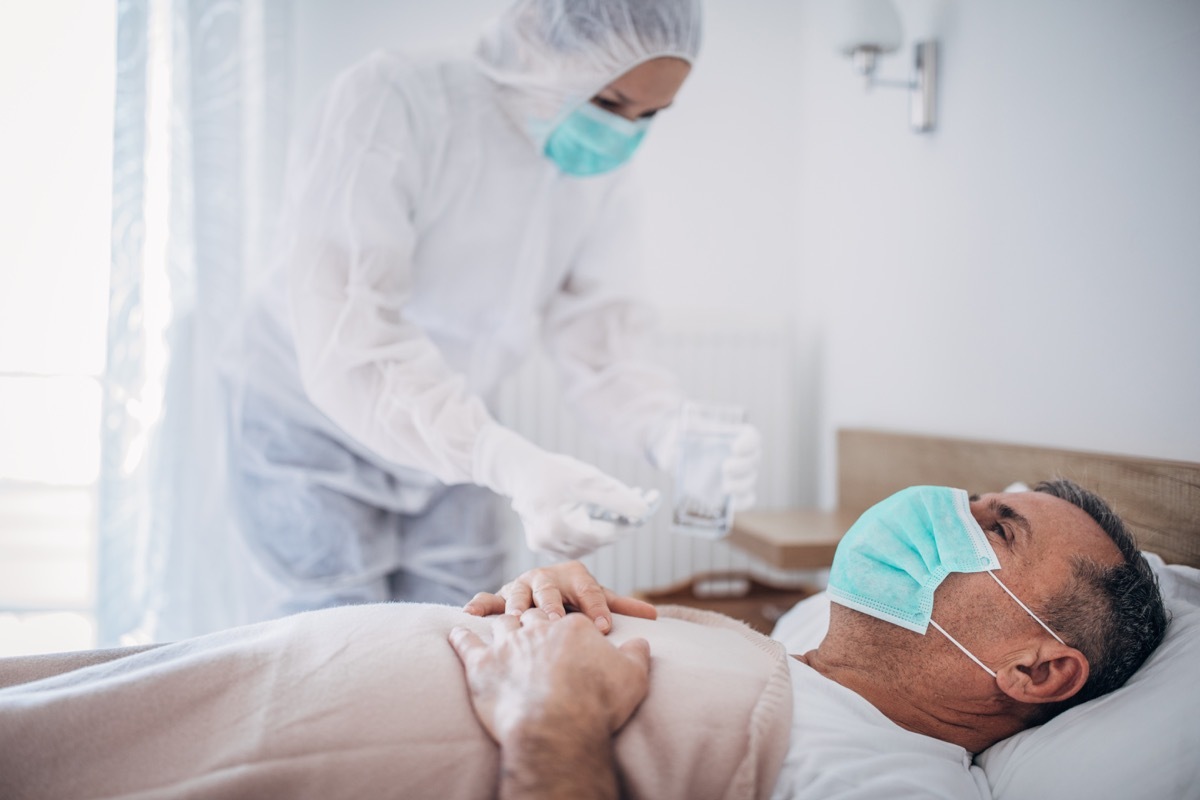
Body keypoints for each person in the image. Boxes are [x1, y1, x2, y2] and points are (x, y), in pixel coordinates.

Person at [0, 481, 1167, 799]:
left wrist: (548, 715)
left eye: (994, 525)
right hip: (228, 678)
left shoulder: (893, 778)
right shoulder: (785, 656)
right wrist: (552, 604)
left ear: (1035, 667)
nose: (944, 503)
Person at [220, 0, 761, 623]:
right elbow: (351, 331)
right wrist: (504, 460)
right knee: (337, 645)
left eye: (651, 115)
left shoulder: (601, 171)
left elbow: (601, 341)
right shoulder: (394, 101)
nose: (624, 132)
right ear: (542, 43)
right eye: (610, 104)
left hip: (454, 416)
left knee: (466, 634)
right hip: (309, 421)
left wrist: (666, 428)